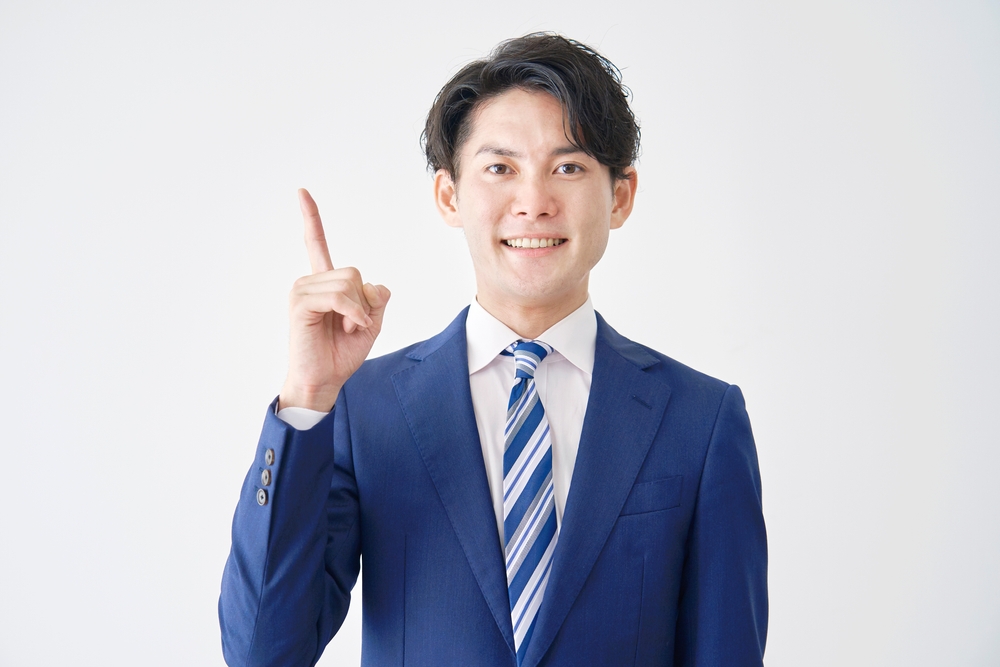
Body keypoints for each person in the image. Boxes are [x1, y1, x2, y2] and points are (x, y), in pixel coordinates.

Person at [219, 33, 767, 667]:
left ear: (620, 196)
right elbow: (262, 653)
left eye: (568, 167)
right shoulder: (364, 408)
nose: (533, 204)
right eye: (500, 168)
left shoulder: (700, 420)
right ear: (449, 195)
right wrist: (307, 396)